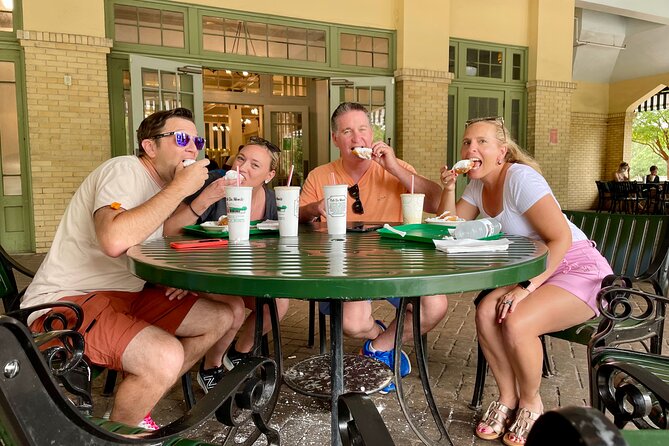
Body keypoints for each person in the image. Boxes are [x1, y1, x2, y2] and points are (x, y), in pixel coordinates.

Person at [21, 108, 246, 430]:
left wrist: (205, 196)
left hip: (128, 292)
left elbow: (164, 232)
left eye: (196, 140)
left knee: (221, 316)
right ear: (150, 147)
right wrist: (180, 189)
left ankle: (138, 401)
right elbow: (114, 239)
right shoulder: (123, 169)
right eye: (181, 138)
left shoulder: (158, 186)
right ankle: (121, 433)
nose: (192, 148)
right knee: (164, 356)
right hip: (70, 299)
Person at [437, 116, 613, 446]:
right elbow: (450, 226)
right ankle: (507, 397)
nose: (471, 148)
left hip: (576, 266)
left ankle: (532, 401)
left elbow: (559, 238)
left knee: (516, 320)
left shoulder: (520, 178)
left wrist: (525, 289)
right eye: (466, 142)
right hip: (535, 267)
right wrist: (449, 187)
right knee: (486, 311)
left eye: (482, 142)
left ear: (502, 152)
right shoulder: (478, 183)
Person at [299, 102, 449, 393]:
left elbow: (436, 202)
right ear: (335, 139)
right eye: (347, 131)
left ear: (372, 133)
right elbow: (296, 216)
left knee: (435, 305)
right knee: (352, 324)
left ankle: (379, 347)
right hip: (344, 267)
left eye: (362, 129)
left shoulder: (395, 168)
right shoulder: (321, 176)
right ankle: (379, 332)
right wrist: (314, 208)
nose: (357, 138)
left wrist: (393, 167)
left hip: (395, 263)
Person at [163, 136, 289, 386]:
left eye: (255, 165)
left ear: (269, 175)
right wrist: (207, 197)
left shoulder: (273, 201)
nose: (242, 168)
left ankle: (239, 354)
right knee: (234, 308)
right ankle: (211, 368)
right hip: (201, 272)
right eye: (241, 159)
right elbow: (170, 230)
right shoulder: (212, 185)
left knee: (277, 303)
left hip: (240, 273)